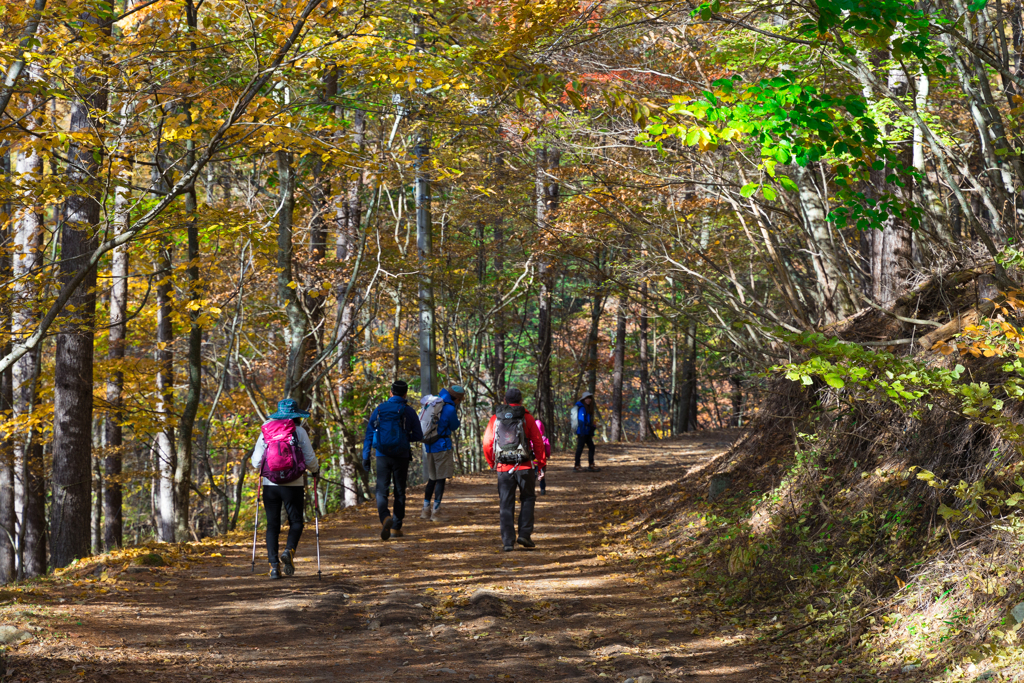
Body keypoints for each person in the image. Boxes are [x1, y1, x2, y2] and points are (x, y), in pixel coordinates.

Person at [250, 398, 320, 580]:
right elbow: (310, 458)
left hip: (270, 485)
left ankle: (274, 567)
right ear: (297, 415)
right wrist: (315, 470)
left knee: (272, 525)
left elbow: (256, 461)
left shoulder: (267, 430)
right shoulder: (299, 431)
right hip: (294, 484)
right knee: (296, 521)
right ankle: (289, 550)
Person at [483, 387, 547, 551]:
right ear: (520, 402)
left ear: (505, 401)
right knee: (528, 498)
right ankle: (524, 534)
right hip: (525, 466)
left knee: (506, 503)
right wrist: (540, 463)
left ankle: (507, 542)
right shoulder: (527, 417)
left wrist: (492, 463)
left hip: (503, 468)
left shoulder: (495, 418)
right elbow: (538, 442)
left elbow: (487, 443)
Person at [362, 380, 424, 540]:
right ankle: (396, 527)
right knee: (399, 491)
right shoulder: (408, 411)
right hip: (401, 456)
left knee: (381, 491)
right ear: (405, 394)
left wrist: (365, 456)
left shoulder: (380, 409)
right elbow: (418, 435)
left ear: (390, 393)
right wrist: (404, 437)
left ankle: (385, 518)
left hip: (382, 455)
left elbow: (369, 434)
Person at [421, 385, 466, 522]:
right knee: (441, 479)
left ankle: (425, 510)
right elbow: (453, 426)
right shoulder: (450, 408)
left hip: (429, 446)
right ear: (457, 399)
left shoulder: (434, 403)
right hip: (442, 446)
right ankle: (436, 512)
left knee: (432, 479)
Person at [573, 391, 600, 472]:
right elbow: (581, 421)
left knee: (591, 447)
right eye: (586, 398)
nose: (588, 400)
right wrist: (582, 432)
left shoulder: (588, 408)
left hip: (586, 432)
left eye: (589, 398)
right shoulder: (582, 408)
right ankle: (577, 465)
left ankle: (591, 465)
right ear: (584, 399)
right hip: (582, 432)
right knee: (580, 448)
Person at [535, 417, 551, 495]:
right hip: (542, 461)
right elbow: (548, 449)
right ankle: (542, 489)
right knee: (542, 476)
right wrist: (547, 455)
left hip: (533, 461)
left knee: (533, 476)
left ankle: (531, 489)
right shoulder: (544, 439)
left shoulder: (532, 439)